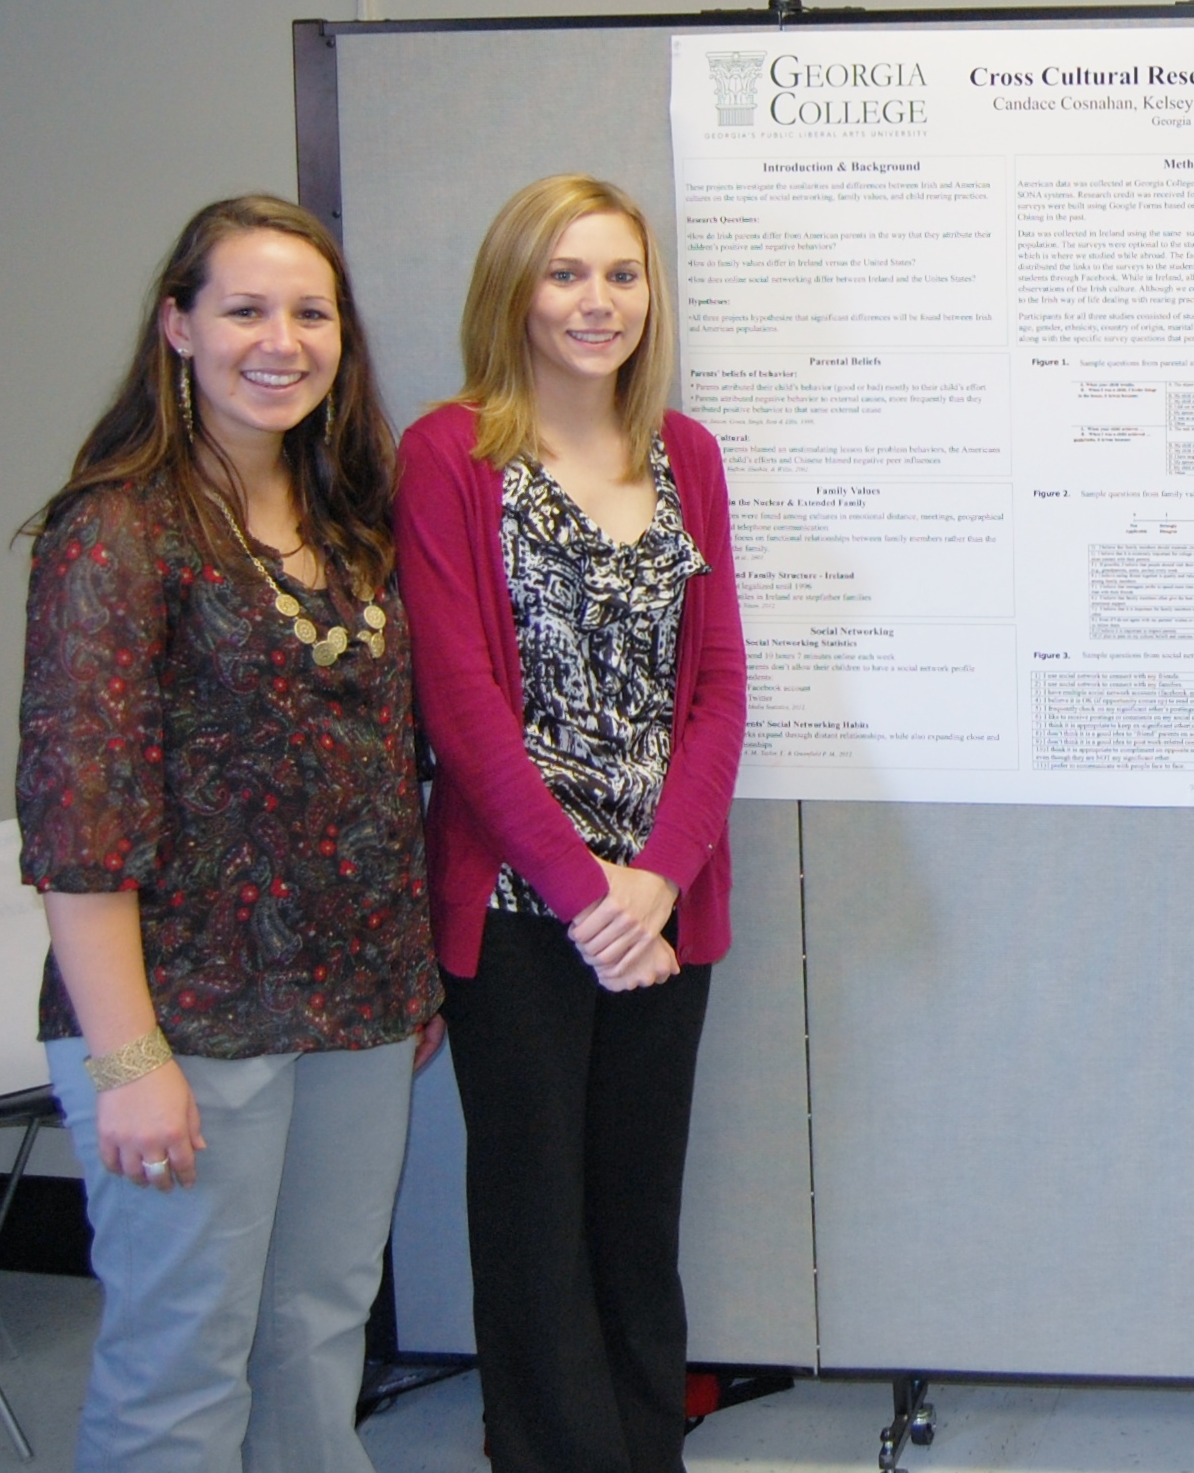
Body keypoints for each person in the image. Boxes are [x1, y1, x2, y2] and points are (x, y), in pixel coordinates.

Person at [19, 194, 439, 1470]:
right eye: (245, 308)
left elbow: (375, 767)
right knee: (183, 1360)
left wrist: (405, 974)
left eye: (311, 312)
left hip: (357, 1008)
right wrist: (127, 1055)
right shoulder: (118, 529)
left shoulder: (348, 524)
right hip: (189, 1018)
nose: (283, 339)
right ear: (177, 326)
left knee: (317, 1329)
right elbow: (78, 819)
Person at [394, 173, 747, 1473]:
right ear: (514, 290)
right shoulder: (450, 452)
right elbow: (459, 699)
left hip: (663, 910)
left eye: (619, 274)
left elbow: (715, 687)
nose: (596, 301)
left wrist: (653, 877)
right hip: (521, 909)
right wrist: (584, 892)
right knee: (536, 1221)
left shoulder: (685, 454)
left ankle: (645, 1451)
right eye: (565, 272)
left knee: (634, 1220)